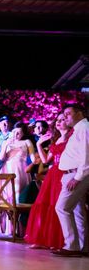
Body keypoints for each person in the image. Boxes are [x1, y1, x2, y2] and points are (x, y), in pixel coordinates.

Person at [24, 113, 72, 250]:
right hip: (53, 173)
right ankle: (44, 239)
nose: (59, 122)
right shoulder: (56, 138)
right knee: (44, 204)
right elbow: (45, 160)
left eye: (63, 120)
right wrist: (39, 144)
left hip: (64, 172)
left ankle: (58, 241)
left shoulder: (72, 138)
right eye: (58, 120)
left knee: (58, 205)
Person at [53, 103, 89, 258]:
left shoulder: (85, 128)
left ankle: (72, 245)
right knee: (77, 211)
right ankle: (82, 246)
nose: (65, 117)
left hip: (77, 174)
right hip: (71, 173)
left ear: (79, 113)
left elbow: (87, 156)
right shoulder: (79, 130)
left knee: (62, 207)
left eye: (68, 113)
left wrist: (77, 177)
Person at [0, 122, 38, 205]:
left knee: (18, 194)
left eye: (18, 133)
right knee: (6, 195)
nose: (15, 134)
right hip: (7, 169)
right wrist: (6, 145)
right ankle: (7, 217)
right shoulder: (6, 142)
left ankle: (18, 216)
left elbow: (33, 158)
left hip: (20, 170)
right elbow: (1, 158)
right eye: (14, 132)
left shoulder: (26, 142)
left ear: (22, 134)